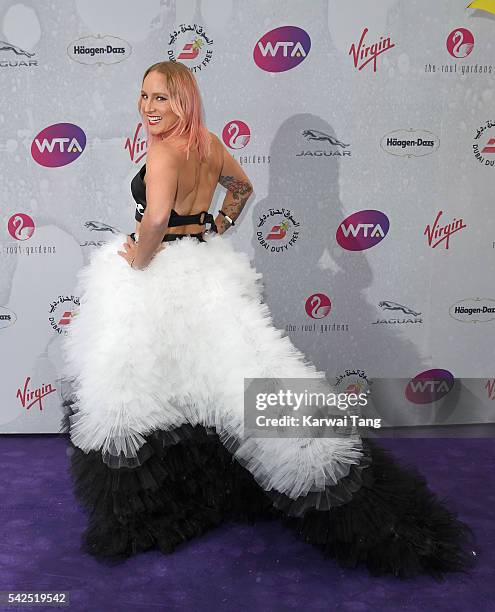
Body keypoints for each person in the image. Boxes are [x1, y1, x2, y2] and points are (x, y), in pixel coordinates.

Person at [60, 60, 476, 578]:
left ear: (183, 101)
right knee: (217, 383)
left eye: (162, 98)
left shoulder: (164, 149)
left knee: (131, 392)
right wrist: (220, 222)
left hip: (163, 274)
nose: (149, 107)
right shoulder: (207, 144)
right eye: (144, 96)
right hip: (205, 266)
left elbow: (158, 219)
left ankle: (145, 512)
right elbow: (241, 189)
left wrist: (136, 259)